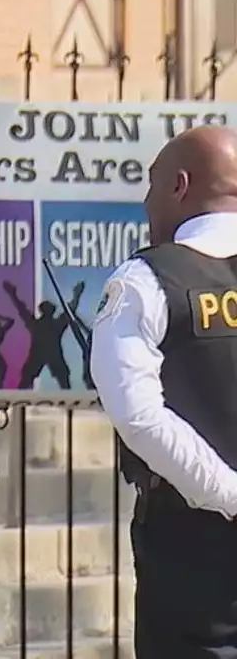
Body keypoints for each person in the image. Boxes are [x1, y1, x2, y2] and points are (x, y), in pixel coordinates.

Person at [89, 124, 237, 657]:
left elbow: (139, 416)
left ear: (179, 185)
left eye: (150, 188)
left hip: (193, 548)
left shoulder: (145, 280)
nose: (147, 204)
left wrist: (229, 495)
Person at [3, 279, 85, 389]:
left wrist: (77, 295)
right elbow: (70, 310)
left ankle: (68, 398)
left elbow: (70, 310)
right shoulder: (44, 324)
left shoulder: (45, 324)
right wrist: (76, 295)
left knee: (62, 377)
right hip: (40, 354)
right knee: (28, 378)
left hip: (51, 354)